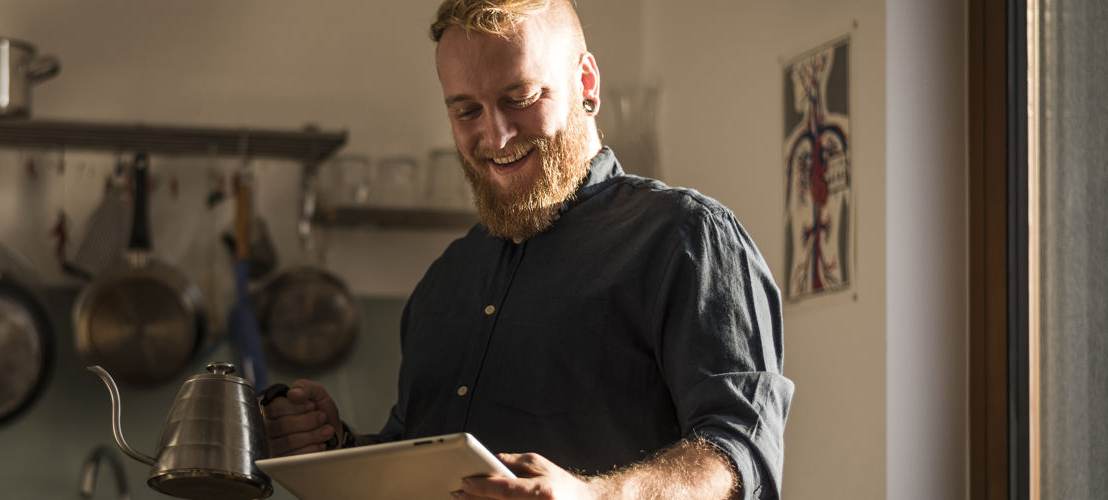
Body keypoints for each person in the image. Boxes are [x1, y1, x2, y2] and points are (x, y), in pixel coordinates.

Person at [261, 0, 794, 498]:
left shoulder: (687, 237)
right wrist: (338, 447)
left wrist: (591, 495)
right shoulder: (444, 280)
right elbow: (422, 452)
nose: (495, 136)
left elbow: (739, 451)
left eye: (520, 99)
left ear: (586, 82)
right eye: (466, 110)